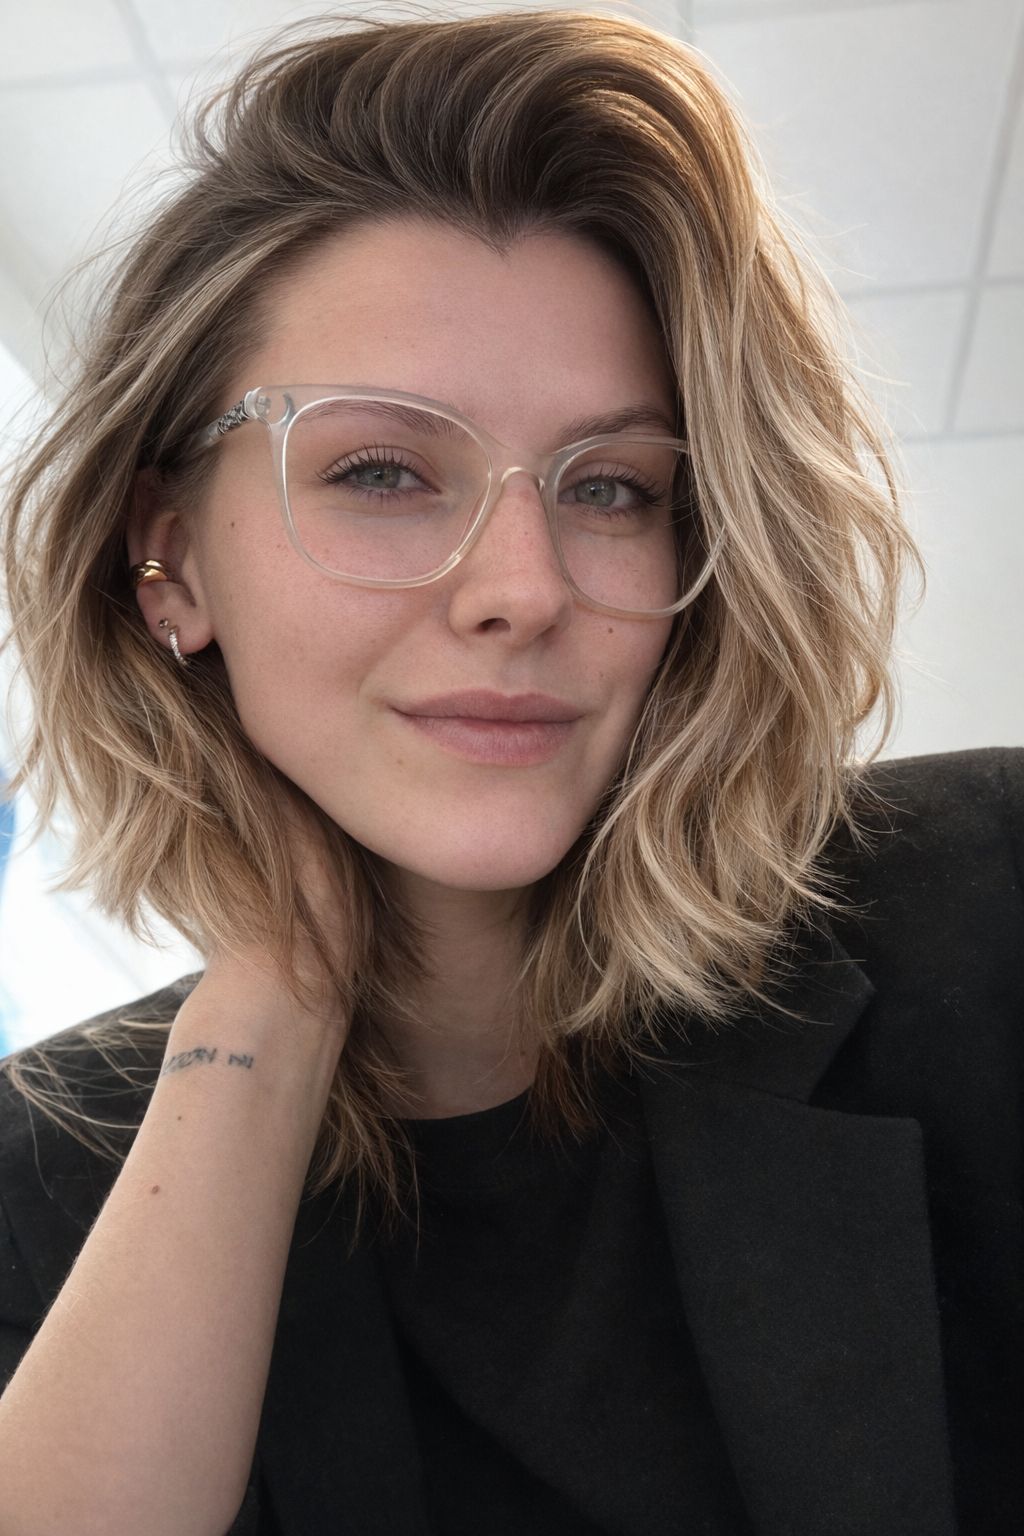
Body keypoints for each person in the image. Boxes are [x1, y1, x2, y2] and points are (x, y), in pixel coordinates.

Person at [0, 7, 1019, 1534]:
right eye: (383, 470)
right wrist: (278, 993)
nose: (527, 588)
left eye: (612, 488)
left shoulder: (987, 906)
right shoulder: (36, 1175)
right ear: (171, 560)